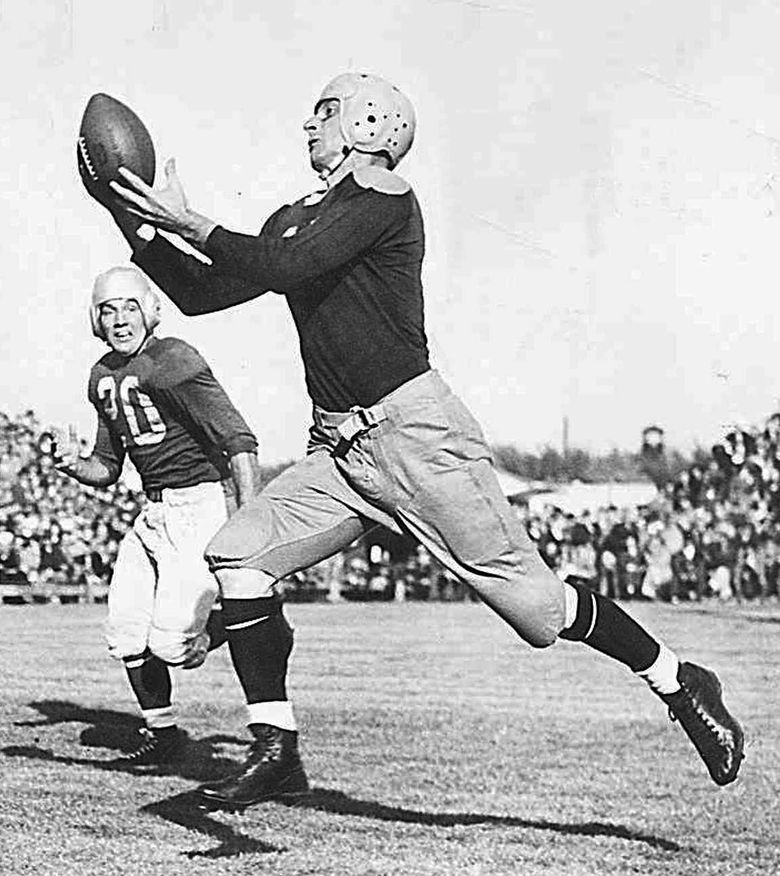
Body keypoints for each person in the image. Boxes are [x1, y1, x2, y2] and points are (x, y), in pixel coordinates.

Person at [106, 71, 744, 807]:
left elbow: (284, 266)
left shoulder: (382, 198)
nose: (308, 126)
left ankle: (677, 679)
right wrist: (134, 220)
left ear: (373, 124)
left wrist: (192, 223)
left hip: (415, 435)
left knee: (539, 612)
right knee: (236, 554)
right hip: (340, 452)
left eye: (326, 112)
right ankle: (275, 745)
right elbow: (205, 290)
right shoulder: (297, 216)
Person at [54, 265, 260, 771]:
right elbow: (106, 468)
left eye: (129, 306)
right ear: (94, 320)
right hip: (153, 510)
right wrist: (70, 464)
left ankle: (242, 619)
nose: (120, 318)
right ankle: (163, 734)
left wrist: (251, 521)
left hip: (200, 504)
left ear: (150, 310)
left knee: (172, 645)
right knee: (125, 634)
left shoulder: (174, 359)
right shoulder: (101, 375)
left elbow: (238, 440)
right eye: (108, 309)